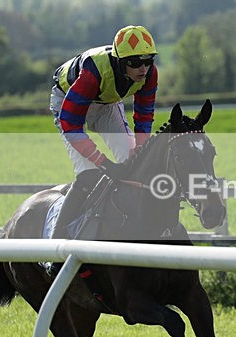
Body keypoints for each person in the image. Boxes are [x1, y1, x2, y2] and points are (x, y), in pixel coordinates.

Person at [46, 25, 159, 275]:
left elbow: (144, 115)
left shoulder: (149, 75)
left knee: (135, 164)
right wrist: (102, 162)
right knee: (89, 175)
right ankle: (54, 247)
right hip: (69, 103)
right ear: (120, 62)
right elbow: (70, 123)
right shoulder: (93, 72)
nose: (143, 68)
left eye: (149, 60)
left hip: (107, 103)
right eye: (135, 62)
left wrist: (139, 150)